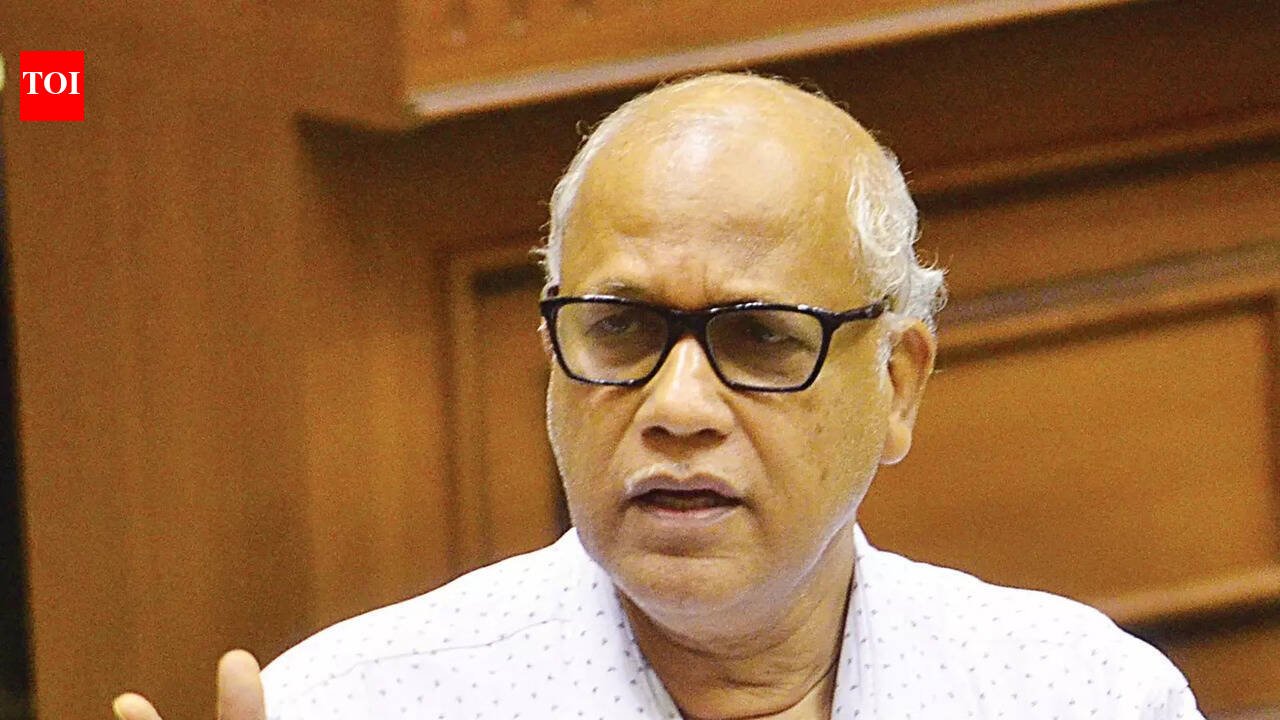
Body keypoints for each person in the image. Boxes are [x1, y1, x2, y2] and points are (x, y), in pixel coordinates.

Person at [112, 73, 1204, 720]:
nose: (678, 407)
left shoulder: (1076, 697)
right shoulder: (353, 708)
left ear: (897, 383)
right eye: (620, 329)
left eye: (761, 339)